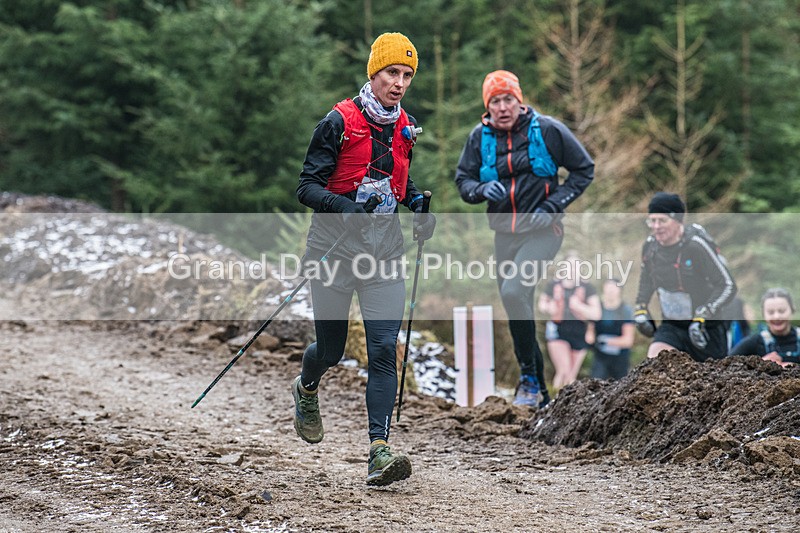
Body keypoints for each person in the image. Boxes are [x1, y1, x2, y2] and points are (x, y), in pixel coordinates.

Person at [293, 32, 435, 487]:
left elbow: (398, 182)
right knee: (331, 351)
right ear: (373, 73)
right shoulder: (337, 121)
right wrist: (346, 208)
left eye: (407, 75)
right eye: (392, 73)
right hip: (333, 252)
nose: (399, 83)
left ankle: (379, 450)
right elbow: (306, 188)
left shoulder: (405, 126)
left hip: (385, 254)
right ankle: (307, 386)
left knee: (381, 351)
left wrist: (416, 204)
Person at [454, 70, 594, 406]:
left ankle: (529, 380)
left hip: (544, 230)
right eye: (495, 101)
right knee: (516, 302)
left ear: (520, 100)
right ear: (487, 107)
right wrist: (480, 189)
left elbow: (583, 169)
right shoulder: (480, 137)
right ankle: (537, 388)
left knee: (515, 290)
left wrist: (553, 205)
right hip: (505, 233)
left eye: (508, 99)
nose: (502, 107)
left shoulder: (546, 130)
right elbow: (463, 180)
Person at [633, 192, 737, 361]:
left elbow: (728, 285)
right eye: (652, 220)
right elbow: (646, 279)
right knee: (656, 363)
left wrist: (705, 312)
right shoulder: (650, 246)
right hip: (672, 325)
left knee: (709, 381)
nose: (656, 226)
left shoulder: (695, 246)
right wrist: (641, 308)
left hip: (705, 328)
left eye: (662, 221)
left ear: (677, 220)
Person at [538, 252, 602, 388]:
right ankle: (554, 402)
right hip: (558, 330)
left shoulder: (587, 287)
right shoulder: (554, 285)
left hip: (579, 332)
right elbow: (542, 304)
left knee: (571, 375)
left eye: (576, 266)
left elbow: (596, 314)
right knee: (564, 371)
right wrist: (549, 307)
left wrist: (580, 307)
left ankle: (567, 406)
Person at [730, 288, 799, 367]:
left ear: (793, 310)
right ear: (763, 314)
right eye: (770, 312)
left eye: (782, 311)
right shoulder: (754, 342)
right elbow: (725, 366)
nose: (776, 317)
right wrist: (759, 364)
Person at [586, 279, 635, 380]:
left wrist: (605, 341)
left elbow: (628, 341)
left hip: (620, 359)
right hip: (600, 357)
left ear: (620, 290)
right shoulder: (597, 308)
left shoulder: (625, 311)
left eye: (614, 287)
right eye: (608, 287)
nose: (610, 290)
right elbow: (589, 333)